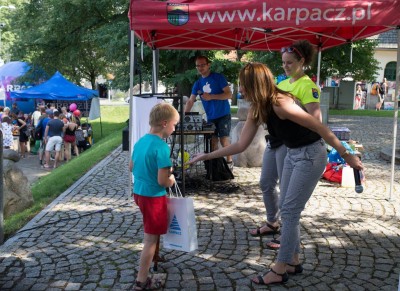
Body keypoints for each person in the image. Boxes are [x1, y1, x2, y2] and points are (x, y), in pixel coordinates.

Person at [187, 62, 363, 286]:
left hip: (310, 155)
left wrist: (346, 154)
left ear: (254, 85)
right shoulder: (257, 108)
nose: (240, 90)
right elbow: (240, 145)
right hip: (292, 153)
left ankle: (280, 268)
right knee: (288, 210)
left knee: (289, 212)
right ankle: (294, 260)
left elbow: (320, 127)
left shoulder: (280, 103)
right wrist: (207, 156)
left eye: (243, 86)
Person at [250, 40, 322, 252]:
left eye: (290, 62)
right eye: (283, 63)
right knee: (266, 183)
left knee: (288, 200)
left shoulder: (307, 85)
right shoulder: (284, 83)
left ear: (302, 61)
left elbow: (315, 120)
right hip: (275, 141)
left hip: (293, 146)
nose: (286, 66)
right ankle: (274, 223)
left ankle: (287, 240)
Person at [129, 103, 178, 290]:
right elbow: (162, 181)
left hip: (139, 193)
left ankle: (155, 258)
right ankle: (142, 280)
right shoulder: (162, 148)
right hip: (153, 197)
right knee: (150, 238)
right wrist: (171, 179)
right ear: (165, 123)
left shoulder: (141, 141)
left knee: (153, 232)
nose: (175, 128)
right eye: (174, 124)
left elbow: (131, 167)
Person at [184, 55, 233, 169]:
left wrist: (212, 96)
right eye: (198, 65)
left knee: (224, 139)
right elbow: (191, 101)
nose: (200, 67)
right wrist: (184, 116)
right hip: (210, 116)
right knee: (212, 142)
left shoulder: (218, 77)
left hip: (223, 114)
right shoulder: (198, 83)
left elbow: (229, 94)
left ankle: (229, 163)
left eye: (202, 65)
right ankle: (215, 166)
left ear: (208, 65)